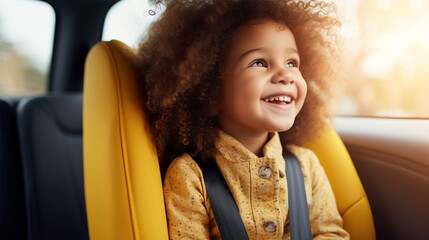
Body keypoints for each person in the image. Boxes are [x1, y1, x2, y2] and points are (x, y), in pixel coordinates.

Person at [137, 0, 349, 239]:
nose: (285, 74)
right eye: (259, 62)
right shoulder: (189, 175)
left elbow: (329, 232)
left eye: (292, 62)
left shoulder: (306, 166)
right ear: (209, 93)